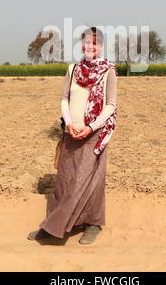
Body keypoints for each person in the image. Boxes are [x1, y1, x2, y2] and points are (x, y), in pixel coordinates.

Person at [27, 26, 118, 244]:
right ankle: (60, 222)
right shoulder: (73, 69)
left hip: (94, 134)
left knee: (88, 181)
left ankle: (91, 224)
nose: (90, 46)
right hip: (71, 133)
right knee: (64, 182)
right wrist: (69, 124)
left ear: (101, 46)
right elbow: (64, 98)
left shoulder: (108, 72)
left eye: (94, 43)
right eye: (86, 42)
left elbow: (111, 105)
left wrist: (91, 127)